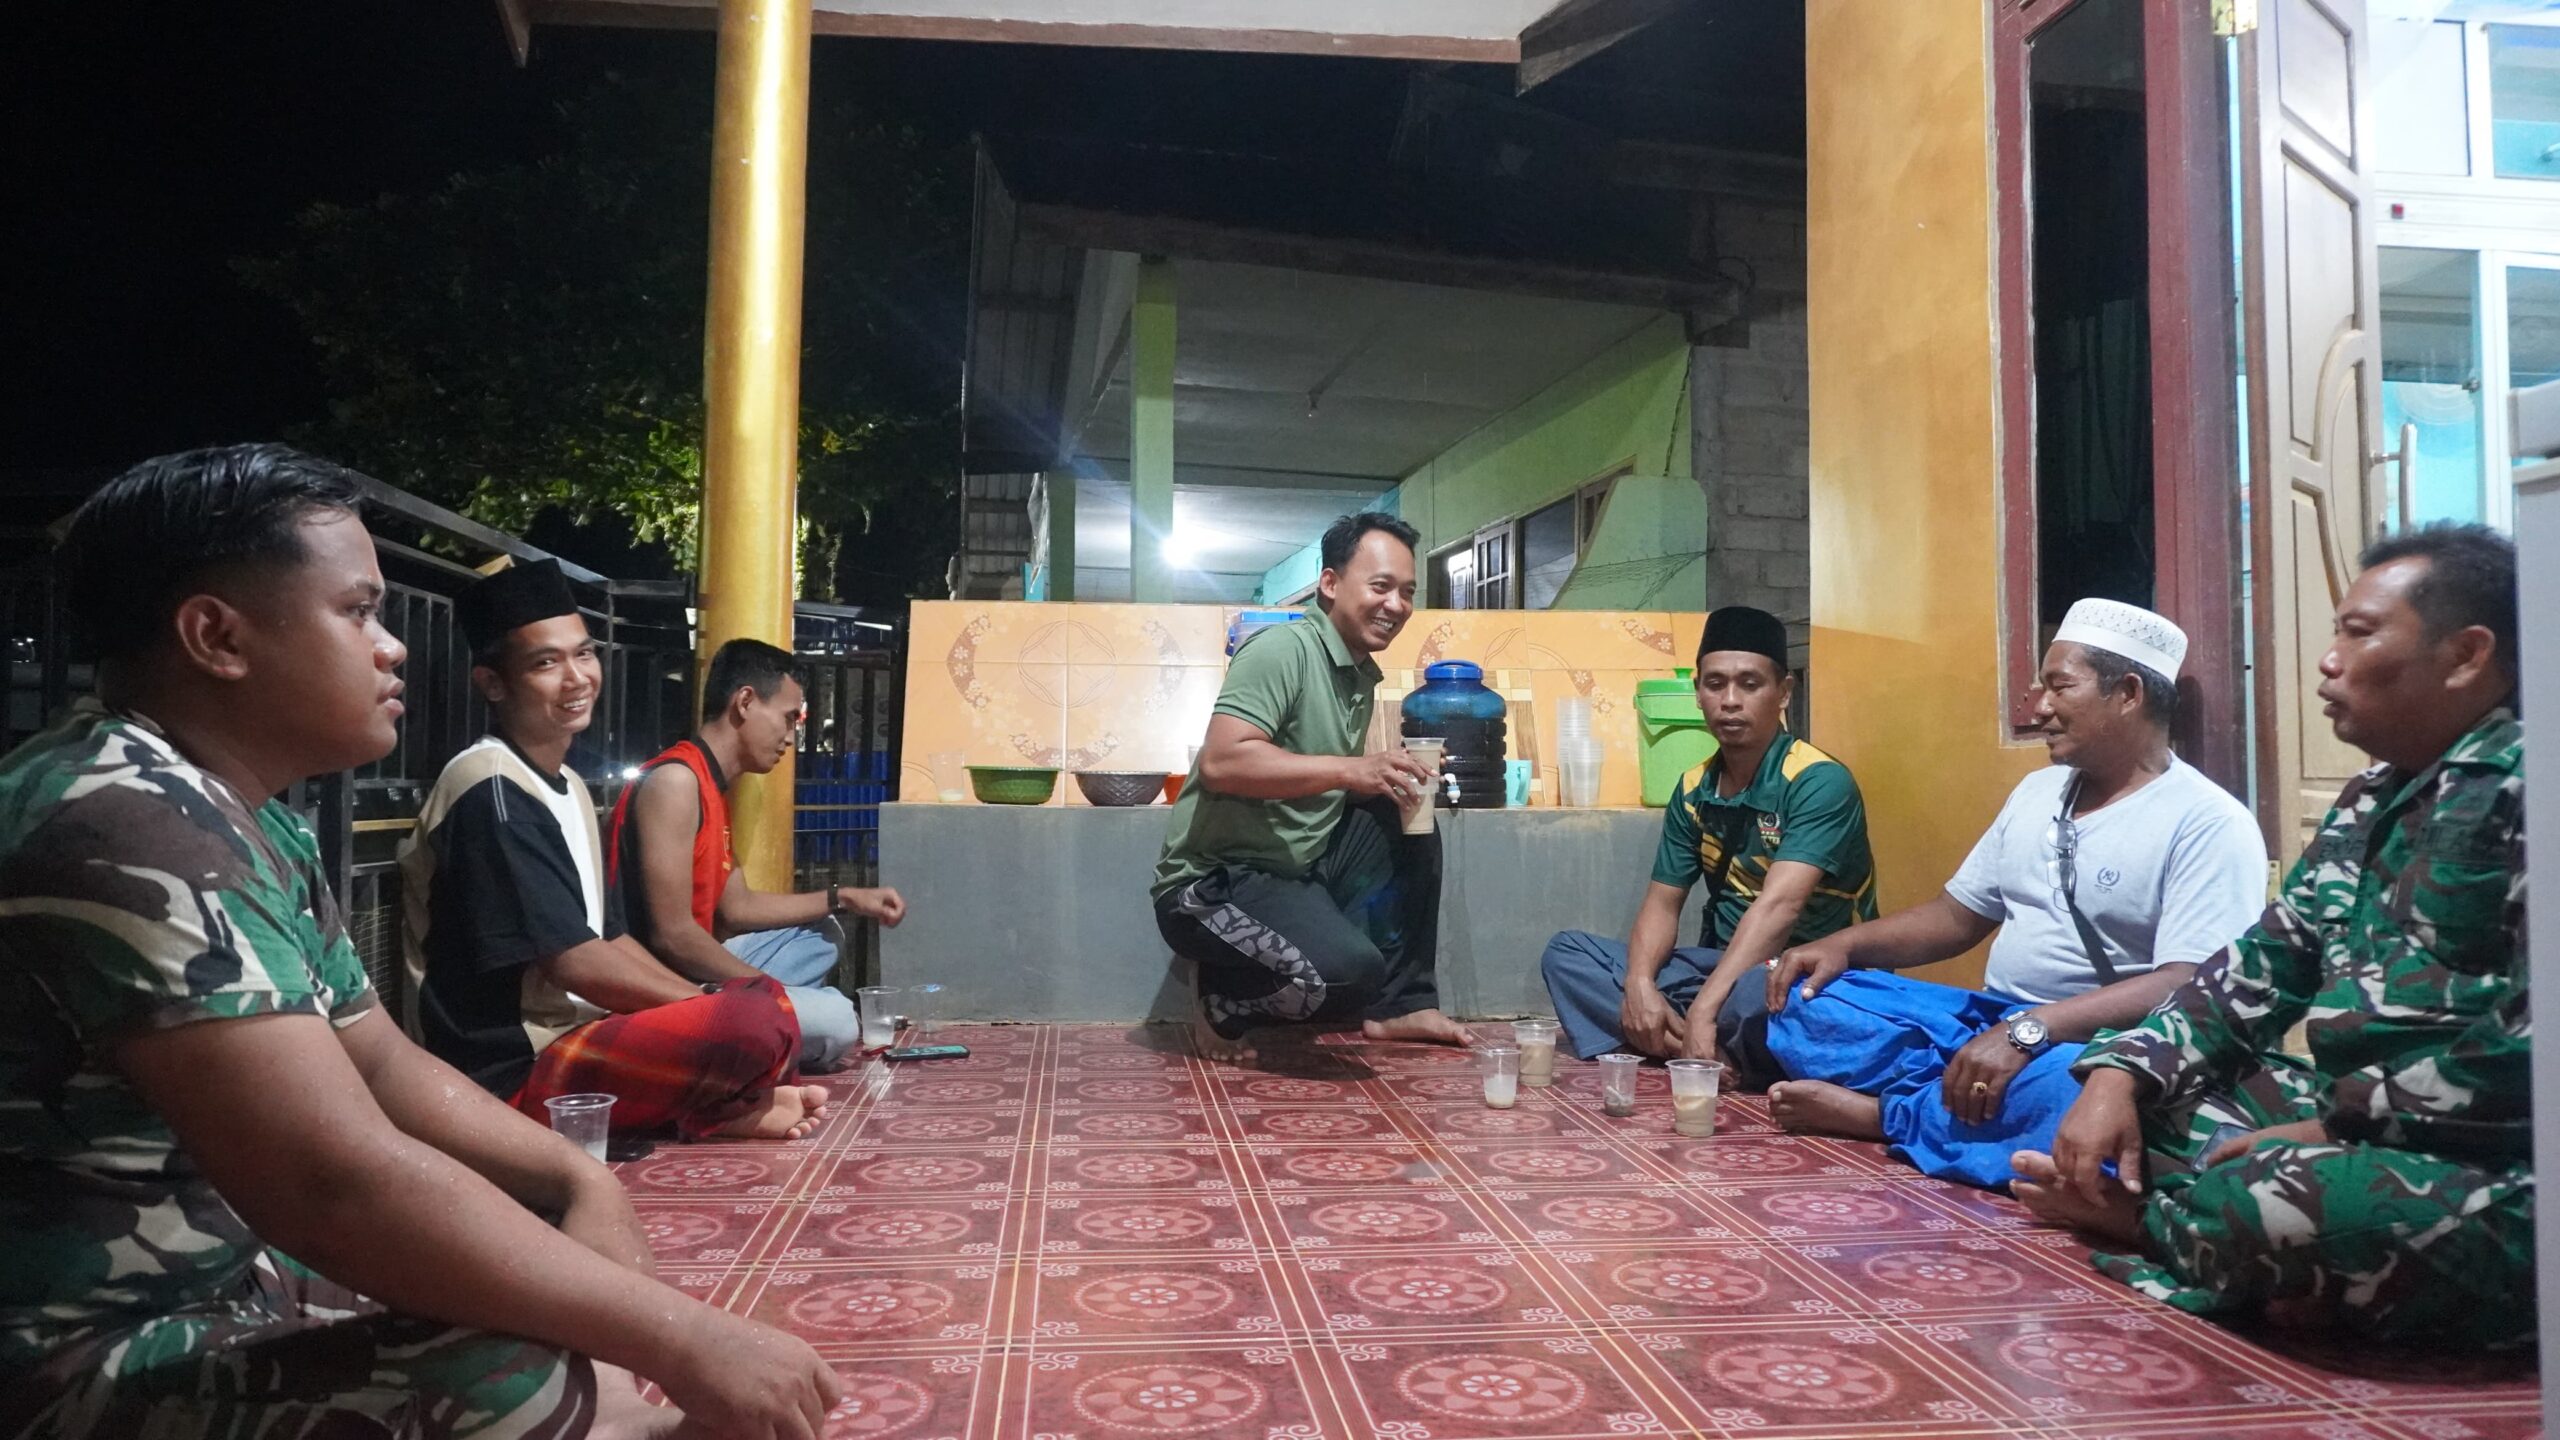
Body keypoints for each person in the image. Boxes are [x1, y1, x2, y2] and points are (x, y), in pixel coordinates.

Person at [0, 445, 838, 1438]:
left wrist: (576, 1174)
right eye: (358, 613)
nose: (393, 648)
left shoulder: (251, 816)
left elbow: (381, 1062)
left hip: (231, 1266)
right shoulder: (122, 815)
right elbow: (331, 1184)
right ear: (217, 637)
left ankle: (607, 1408)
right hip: (79, 1346)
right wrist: (682, 1335)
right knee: (503, 1365)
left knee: (527, 1259)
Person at [2014, 525, 2528, 1347]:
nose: (2328, 661)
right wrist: (2121, 1074)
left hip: (2505, 1153)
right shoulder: (2373, 799)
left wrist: (2342, 1126)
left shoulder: (2528, 788)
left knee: (2269, 1200)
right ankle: (2300, 1266)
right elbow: (2255, 970)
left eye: (2358, 634)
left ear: (2466, 655)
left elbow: (2527, 1050)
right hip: (2366, 1117)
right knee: (2143, 1107)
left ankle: (2158, 1225)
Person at [1759, 600, 2268, 1189]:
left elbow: (2188, 982)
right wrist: (1843, 946)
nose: (2040, 707)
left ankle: (1888, 1115)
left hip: (2098, 1048)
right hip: (1986, 1020)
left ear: (2128, 693)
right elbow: (1957, 917)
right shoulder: (2037, 792)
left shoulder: (2207, 822)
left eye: (2060, 687)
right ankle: (1954, 1099)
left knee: (2078, 1095)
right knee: (1805, 996)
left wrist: (2031, 1031)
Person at [402, 560, 827, 1141]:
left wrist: (711, 1005)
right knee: (754, 1022)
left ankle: (724, 1105)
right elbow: (575, 961)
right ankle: (724, 1103)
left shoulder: (568, 786)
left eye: (583, 654)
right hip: (511, 1069)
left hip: (579, 1029)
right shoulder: (490, 787)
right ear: (493, 683)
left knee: (760, 1005)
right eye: (546, 663)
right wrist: (703, 1006)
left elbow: (610, 936)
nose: (576, 678)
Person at [1154, 511, 1469, 1061]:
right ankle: (1222, 997)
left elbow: (1315, 780)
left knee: (1404, 814)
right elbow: (1223, 762)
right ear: (1330, 583)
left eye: (1407, 591)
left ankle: (1401, 1004)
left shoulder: (1356, 672)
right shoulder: (1282, 650)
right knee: (1349, 974)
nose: (1396, 604)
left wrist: (1390, 774)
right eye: (1380, 586)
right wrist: (1353, 770)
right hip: (1210, 886)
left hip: (1293, 872)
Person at [1539, 605, 1878, 1076]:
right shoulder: (1693, 789)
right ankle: (1703, 1052)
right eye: (1715, 684)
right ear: (1698, 693)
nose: (1730, 701)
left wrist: (1703, 1008)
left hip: (1810, 977)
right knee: (1569, 954)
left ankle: (1700, 1036)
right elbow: (1662, 904)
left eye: (1750, 684)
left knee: (1760, 992)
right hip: (1718, 970)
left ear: (1783, 693)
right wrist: (1640, 984)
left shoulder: (1817, 781)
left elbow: (1779, 908)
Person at [606, 637, 904, 1069]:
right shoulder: (675, 782)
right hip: (661, 988)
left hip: (698, 975)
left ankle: (764, 1030)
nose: (790, 737)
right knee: (837, 1020)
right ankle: (761, 1030)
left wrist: (843, 896)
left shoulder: (711, 786)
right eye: (788, 718)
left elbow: (737, 908)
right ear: (745, 702)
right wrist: (767, 993)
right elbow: (672, 936)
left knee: (822, 933)